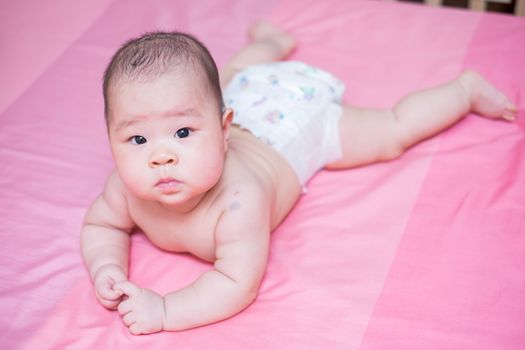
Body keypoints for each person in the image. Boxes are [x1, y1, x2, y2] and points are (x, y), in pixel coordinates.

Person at [80, 21, 517, 335]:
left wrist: (166, 309)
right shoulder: (126, 190)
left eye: (182, 133)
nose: (160, 156)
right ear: (109, 140)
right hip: (249, 89)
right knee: (229, 76)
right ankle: (271, 41)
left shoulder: (237, 201)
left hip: (295, 126)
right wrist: (107, 266)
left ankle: (463, 90)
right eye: (137, 138)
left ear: (224, 130)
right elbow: (101, 225)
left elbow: (236, 283)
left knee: (391, 130)